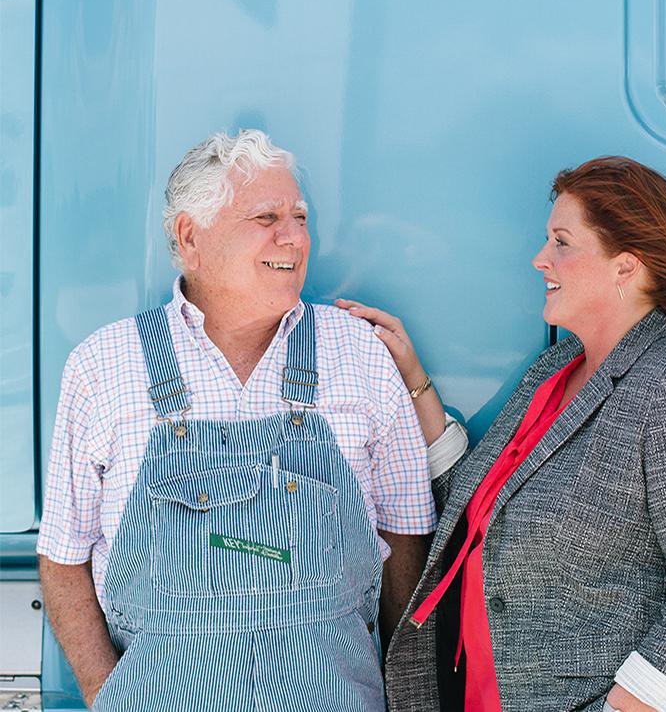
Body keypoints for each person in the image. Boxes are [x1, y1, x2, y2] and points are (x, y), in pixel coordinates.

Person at [37, 130, 464, 711]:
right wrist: (103, 695)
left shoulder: (359, 355)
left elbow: (407, 537)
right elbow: (64, 559)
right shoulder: (104, 366)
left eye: (300, 217)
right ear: (190, 237)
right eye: (267, 217)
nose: (294, 238)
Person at [340, 156, 666, 711]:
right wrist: (412, 377)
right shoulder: (556, 371)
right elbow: (475, 509)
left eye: (562, 242)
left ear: (625, 267)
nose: (541, 259)